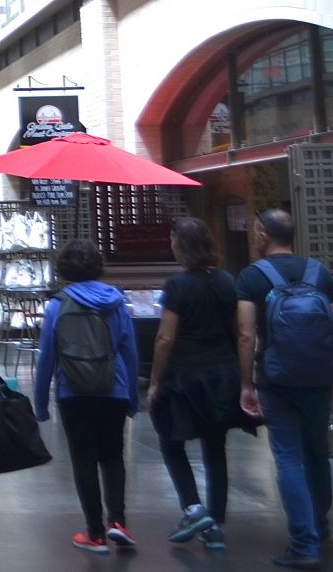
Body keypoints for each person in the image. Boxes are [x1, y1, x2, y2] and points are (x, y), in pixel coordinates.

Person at [236, 207, 333, 569]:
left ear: (263, 235)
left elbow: (246, 335)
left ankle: (303, 543)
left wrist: (246, 383)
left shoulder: (252, 277)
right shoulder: (320, 272)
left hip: (277, 379)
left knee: (289, 457)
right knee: (317, 453)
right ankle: (320, 527)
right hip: (320, 377)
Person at [34, 239, 140, 554]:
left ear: (63, 267)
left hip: (73, 392)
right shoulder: (116, 302)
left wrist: (40, 403)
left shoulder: (57, 305)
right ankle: (118, 522)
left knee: (84, 460)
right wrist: (132, 395)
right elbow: (129, 351)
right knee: (112, 456)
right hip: (114, 388)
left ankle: (94, 533)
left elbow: (46, 358)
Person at [148, 217, 246, 552]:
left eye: (174, 240)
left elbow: (165, 338)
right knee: (215, 448)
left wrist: (155, 381)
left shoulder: (176, 286)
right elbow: (239, 331)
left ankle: (192, 507)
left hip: (184, 376)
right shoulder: (227, 281)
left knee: (171, 442)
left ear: (182, 245)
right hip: (221, 374)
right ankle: (215, 524)